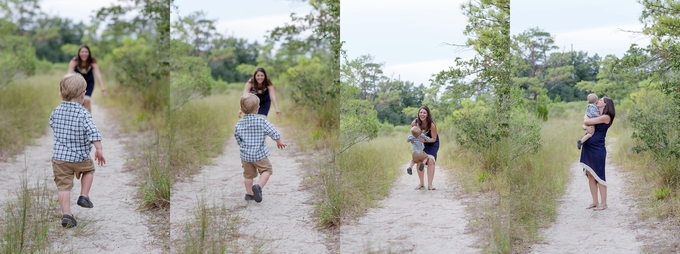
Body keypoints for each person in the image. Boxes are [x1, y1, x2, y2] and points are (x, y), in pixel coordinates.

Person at [49, 73, 106, 228]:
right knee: (88, 171)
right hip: (80, 157)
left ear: (61, 95)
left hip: (60, 158)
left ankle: (67, 215)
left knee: (63, 187)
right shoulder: (83, 113)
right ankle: (84, 195)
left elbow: (52, 124)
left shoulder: (56, 111)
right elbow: (93, 131)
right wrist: (98, 148)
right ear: (83, 94)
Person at [234, 93, 287, 203]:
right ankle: (258, 187)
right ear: (257, 108)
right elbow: (273, 131)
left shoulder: (239, 124)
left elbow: (237, 137)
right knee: (266, 170)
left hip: (246, 156)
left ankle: (249, 194)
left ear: (242, 109)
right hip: (260, 154)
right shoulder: (261, 121)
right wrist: (279, 142)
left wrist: (243, 146)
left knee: (248, 175)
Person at [580, 97, 615, 211]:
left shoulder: (606, 117)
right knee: (590, 174)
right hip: (588, 148)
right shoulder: (595, 114)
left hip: (597, 149)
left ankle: (603, 203)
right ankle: (595, 202)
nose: (598, 101)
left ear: (605, 104)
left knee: (599, 175)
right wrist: (586, 119)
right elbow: (585, 125)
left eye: (600, 100)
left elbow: (586, 122)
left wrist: (586, 116)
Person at [67, 44, 106, 113]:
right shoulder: (74, 61)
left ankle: (88, 120)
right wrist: (66, 88)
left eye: (86, 52)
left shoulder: (92, 62)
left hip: (89, 83)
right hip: (78, 84)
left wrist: (103, 89)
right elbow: (69, 75)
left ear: (89, 53)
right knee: (78, 102)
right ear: (79, 53)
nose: (84, 54)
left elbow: (98, 75)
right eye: (82, 52)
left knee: (86, 101)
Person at [411, 106, 439, 190]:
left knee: (430, 161)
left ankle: (430, 185)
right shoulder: (414, 123)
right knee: (419, 160)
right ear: (418, 113)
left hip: (431, 143)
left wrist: (424, 141)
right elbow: (413, 136)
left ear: (427, 114)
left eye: (424, 113)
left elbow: (434, 138)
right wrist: (413, 141)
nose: (422, 114)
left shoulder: (432, 124)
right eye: (421, 112)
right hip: (420, 144)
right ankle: (421, 183)